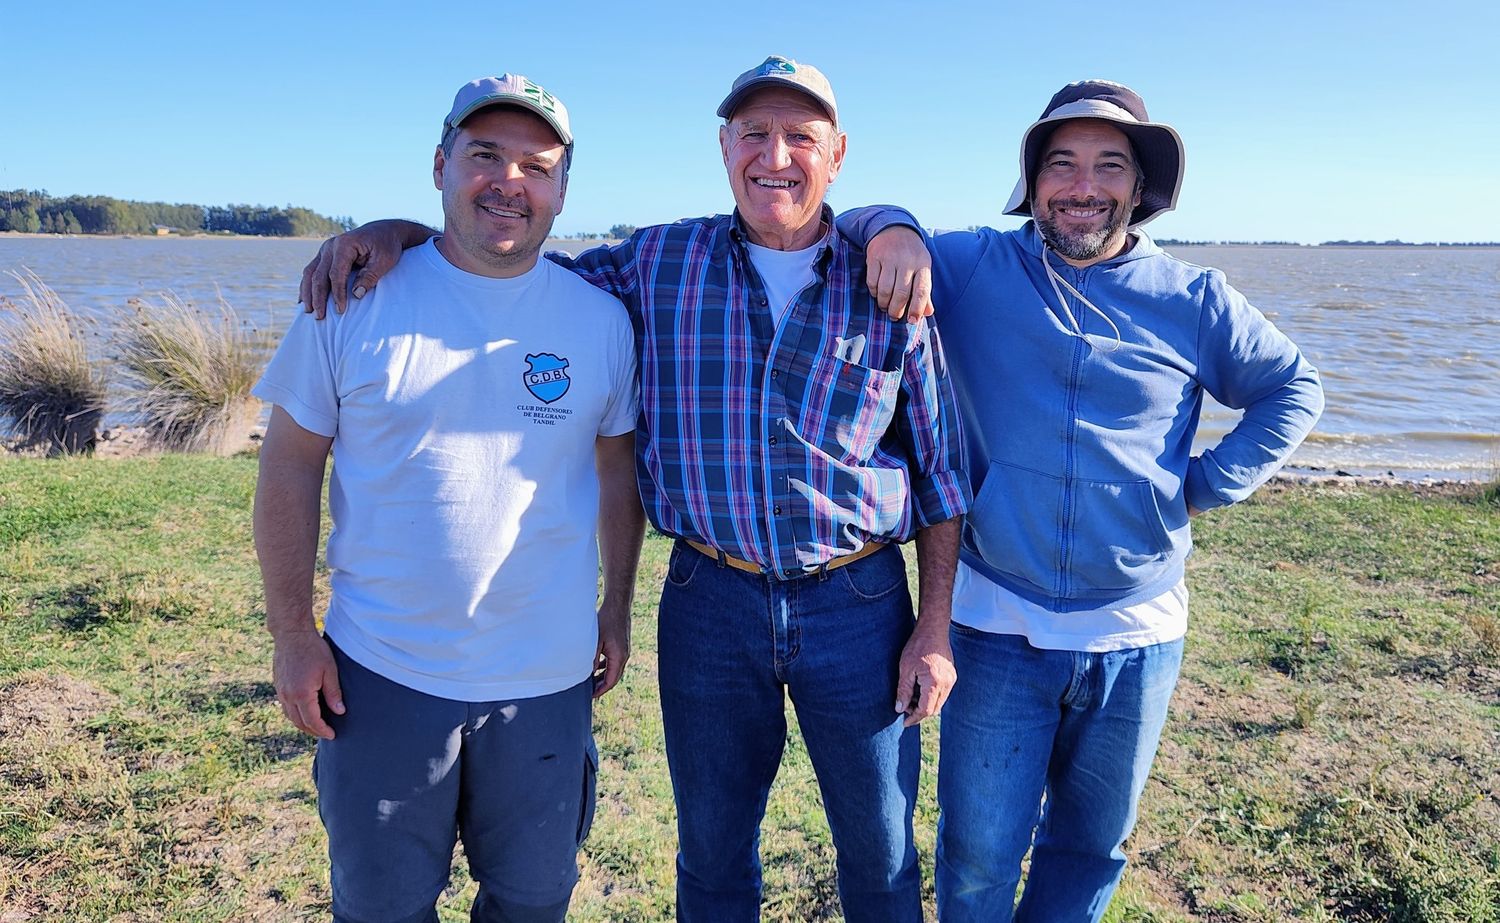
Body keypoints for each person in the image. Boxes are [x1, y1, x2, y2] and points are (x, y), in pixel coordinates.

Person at [299, 56, 969, 923]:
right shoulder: (655, 264)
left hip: (859, 599)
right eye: (754, 134)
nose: (776, 155)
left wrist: (935, 626)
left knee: (879, 849)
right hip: (709, 598)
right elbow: (510, 247)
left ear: (836, 155)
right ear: (723, 147)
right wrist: (400, 233)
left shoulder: (891, 280)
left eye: (801, 137)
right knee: (714, 851)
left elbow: (942, 475)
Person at [839, 79, 1325, 921]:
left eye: (1109, 164)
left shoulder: (1194, 297)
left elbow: (1293, 386)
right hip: (996, 624)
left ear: (1141, 188)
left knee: (1089, 850)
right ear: (1032, 182)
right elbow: (855, 222)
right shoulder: (976, 266)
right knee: (979, 855)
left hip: (1137, 634)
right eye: (1060, 162)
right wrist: (891, 226)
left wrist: (1202, 487)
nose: (1082, 184)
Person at [253, 73, 644, 923]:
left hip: (545, 681)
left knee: (533, 902)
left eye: (538, 166)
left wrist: (616, 607)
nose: (511, 182)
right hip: (382, 670)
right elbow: (288, 466)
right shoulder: (351, 297)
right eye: (485, 156)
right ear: (439, 164)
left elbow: (618, 471)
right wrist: (291, 634)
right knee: (383, 906)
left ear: (563, 189)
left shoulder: (601, 320)